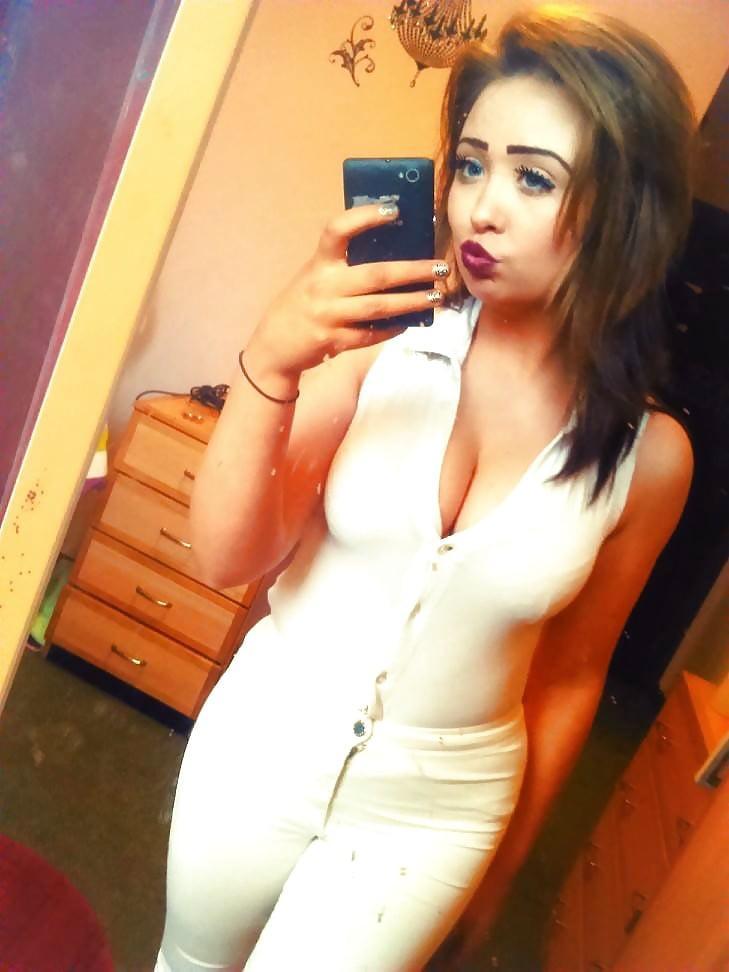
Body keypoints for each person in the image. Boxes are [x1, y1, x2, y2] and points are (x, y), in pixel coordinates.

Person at [154, 6, 697, 971]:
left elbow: (571, 678)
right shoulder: (379, 350)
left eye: (533, 178)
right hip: (264, 738)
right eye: (471, 164)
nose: (479, 208)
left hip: (437, 815)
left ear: (627, 210)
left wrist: (500, 876)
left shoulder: (646, 458)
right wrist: (271, 364)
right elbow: (225, 556)